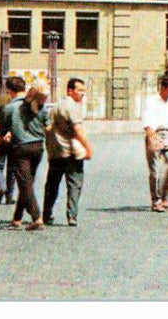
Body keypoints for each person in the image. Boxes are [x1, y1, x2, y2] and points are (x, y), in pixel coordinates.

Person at [43, 78, 93, 226]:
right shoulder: (72, 107)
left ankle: (47, 214)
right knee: (74, 184)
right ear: (69, 91)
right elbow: (78, 130)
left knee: (52, 185)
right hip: (71, 152)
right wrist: (88, 148)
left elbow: (49, 127)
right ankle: (72, 215)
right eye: (79, 90)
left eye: (84, 91)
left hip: (56, 151)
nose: (82, 94)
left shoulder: (56, 106)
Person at [2, 85, 51, 229]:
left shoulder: (11, 108)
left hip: (20, 148)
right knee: (27, 183)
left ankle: (37, 218)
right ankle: (17, 217)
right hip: (38, 148)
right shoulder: (42, 109)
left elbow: (2, 128)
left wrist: (6, 136)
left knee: (25, 184)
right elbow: (48, 128)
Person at [142, 74, 168, 213]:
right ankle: (156, 200)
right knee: (155, 171)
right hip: (155, 134)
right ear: (163, 87)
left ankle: (164, 195)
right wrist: (152, 139)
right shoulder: (151, 101)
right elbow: (147, 122)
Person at [0, 76, 25, 207]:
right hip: (17, 138)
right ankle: (10, 196)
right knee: (13, 168)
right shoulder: (24, 102)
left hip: (0, 134)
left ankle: (1, 186)